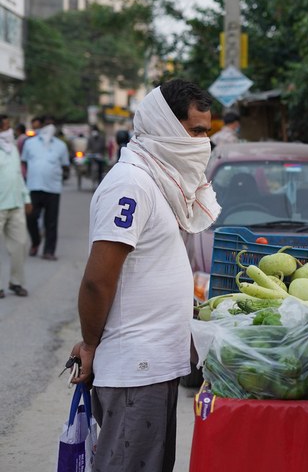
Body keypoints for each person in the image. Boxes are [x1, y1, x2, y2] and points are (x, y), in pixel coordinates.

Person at [68, 79, 220, 472]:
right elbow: (97, 280)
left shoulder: (160, 180)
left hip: (156, 365)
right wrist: (89, 342)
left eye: (207, 132)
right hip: (136, 367)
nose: (203, 143)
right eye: (196, 131)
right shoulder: (131, 184)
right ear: (166, 126)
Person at [21, 115, 70, 260]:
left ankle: (49, 251)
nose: (50, 127)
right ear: (41, 125)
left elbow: (65, 164)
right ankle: (35, 242)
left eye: (52, 124)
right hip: (33, 186)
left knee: (51, 222)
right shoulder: (30, 143)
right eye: (47, 124)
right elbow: (23, 162)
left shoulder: (61, 146)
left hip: (53, 188)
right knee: (30, 217)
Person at [0, 114, 30, 297]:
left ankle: (16, 282)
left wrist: (26, 198)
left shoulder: (12, 147)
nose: (9, 130)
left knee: (20, 244)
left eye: (9, 126)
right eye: (5, 127)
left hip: (16, 204)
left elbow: (18, 175)